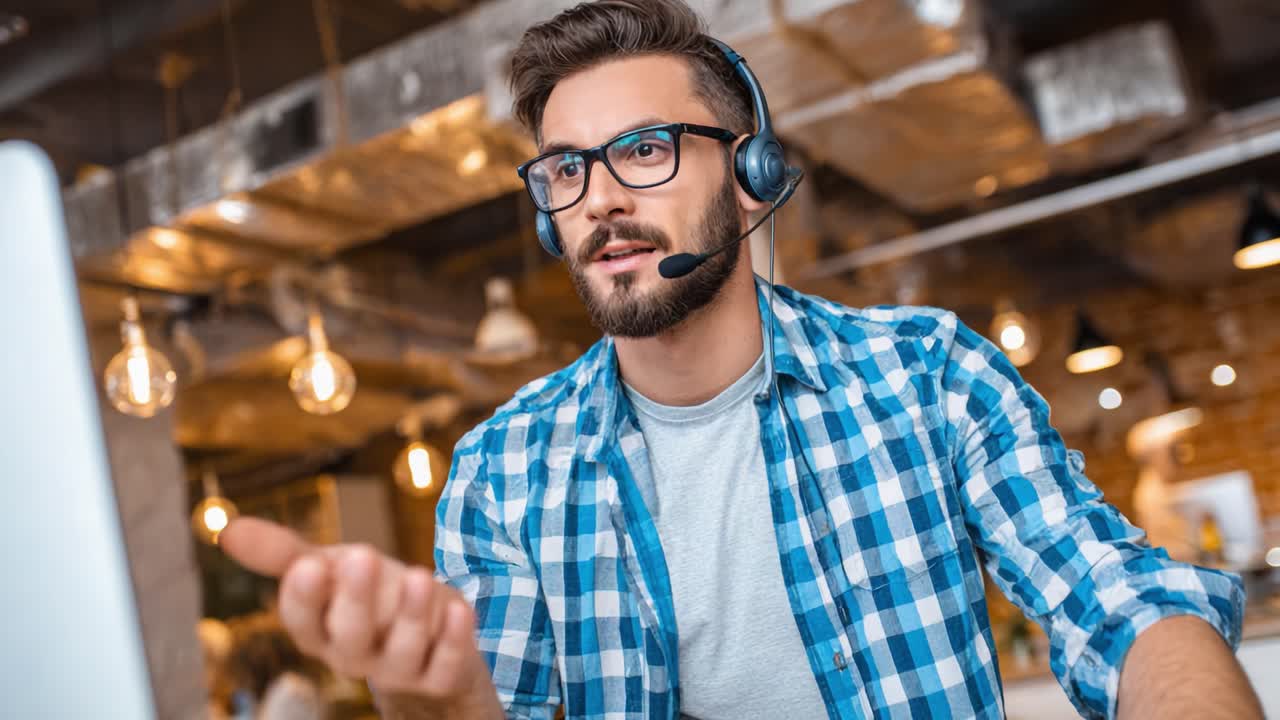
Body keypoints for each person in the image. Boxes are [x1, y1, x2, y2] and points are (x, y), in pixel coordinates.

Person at [220, 1, 1265, 718]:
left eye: (643, 150)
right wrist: (432, 693)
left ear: (751, 174)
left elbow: (1124, 605)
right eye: (565, 170)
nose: (600, 199)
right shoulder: (502, 473)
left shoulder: (928, 379)